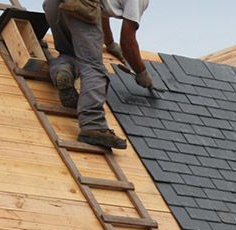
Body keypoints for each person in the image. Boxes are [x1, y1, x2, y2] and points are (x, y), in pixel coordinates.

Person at [42, 0, 153, 150]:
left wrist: (110, 43)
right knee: (94, 68)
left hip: (54, 5)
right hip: (80, 8)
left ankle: (63, 71)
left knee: (69, 53)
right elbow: (128, 41)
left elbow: (100, 11)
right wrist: (141, 72)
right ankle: (93, 125)